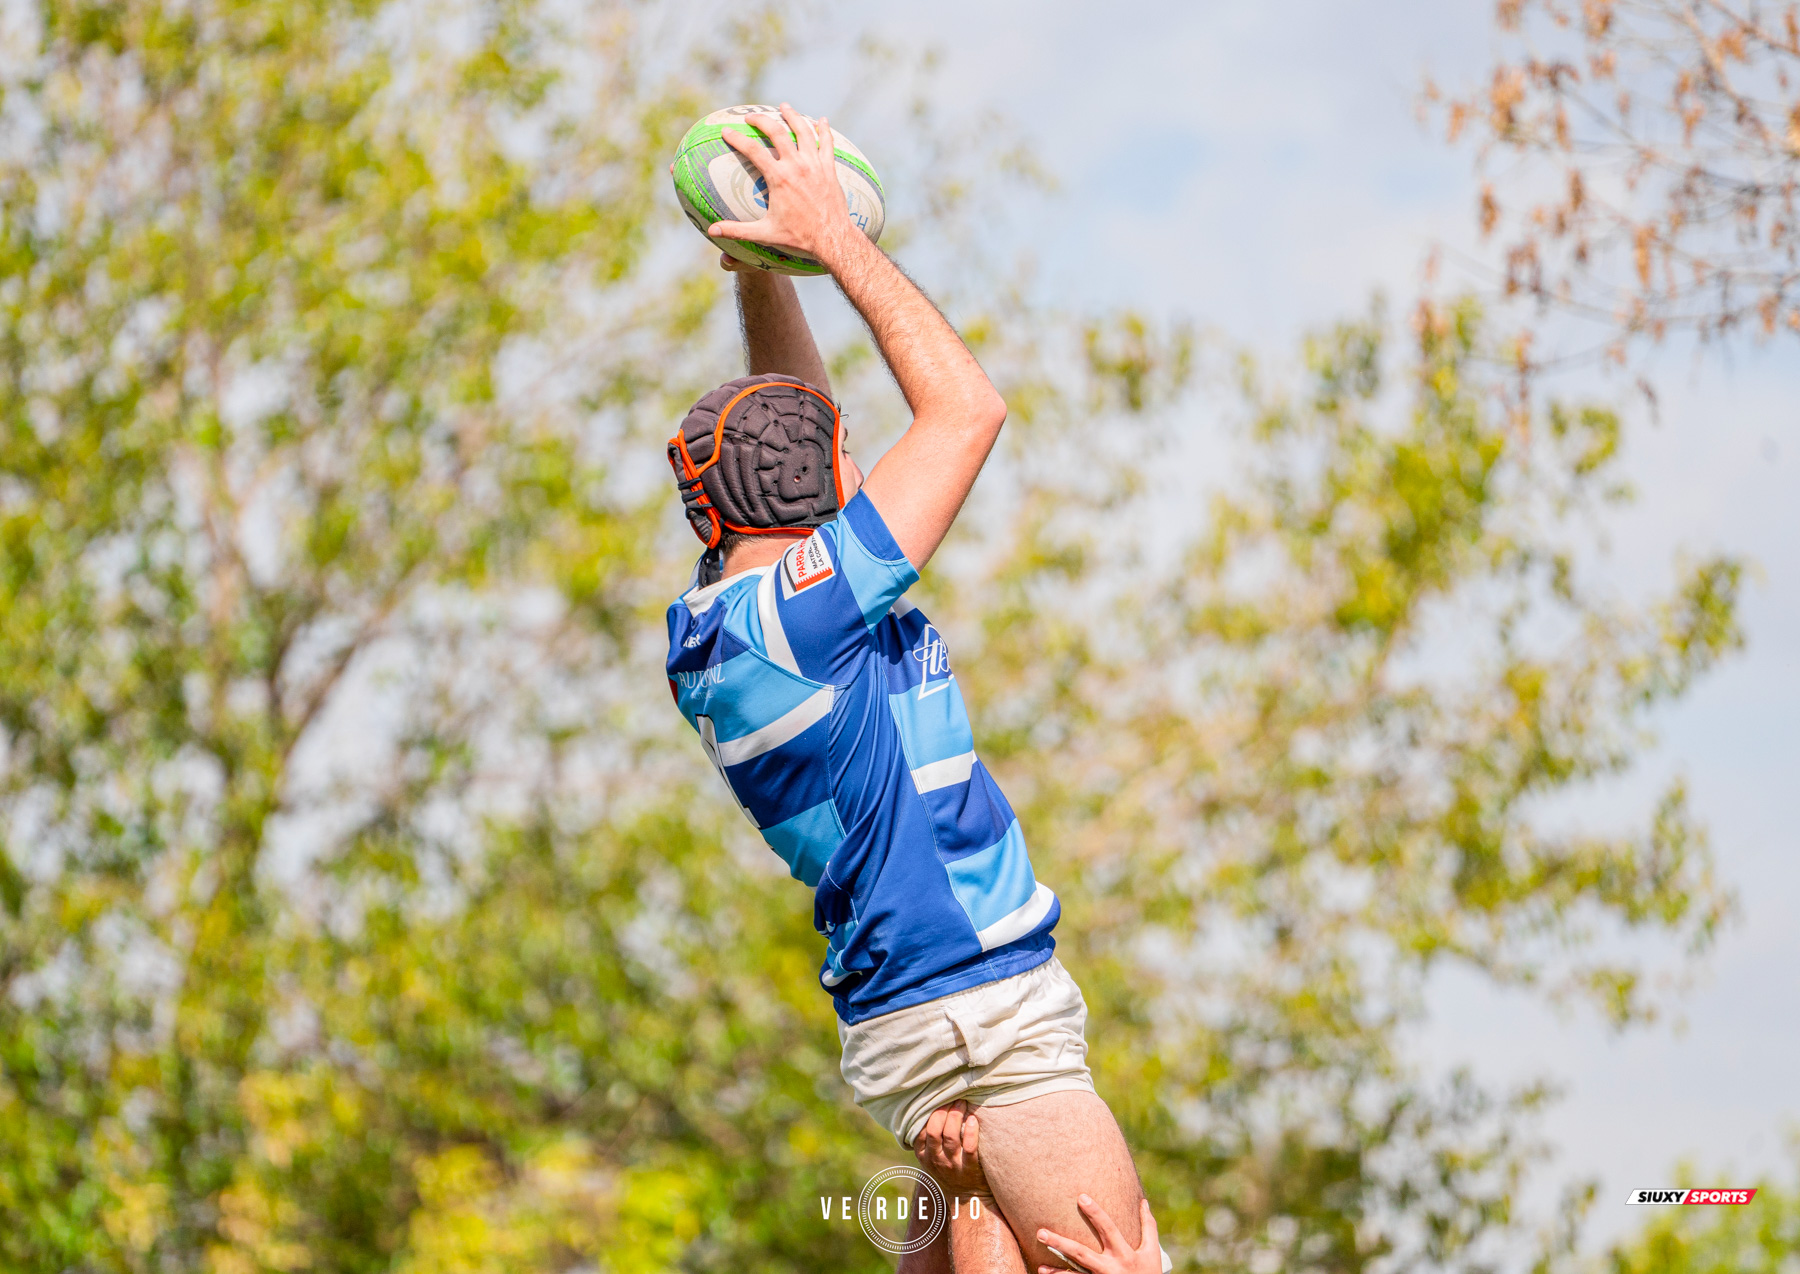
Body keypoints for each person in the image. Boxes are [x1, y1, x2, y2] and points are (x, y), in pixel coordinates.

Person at [662, 104, 1167, 1272]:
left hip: (902, 1026)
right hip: (984, 1008)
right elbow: (966, 412)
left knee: (976, 1247)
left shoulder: (716, 625)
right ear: (840, 487)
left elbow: (798, 436)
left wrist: (759, 258)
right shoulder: (817, 604)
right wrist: (833, 237)